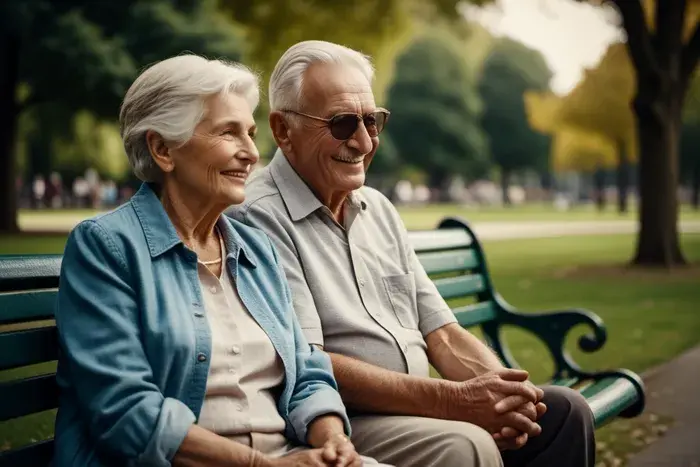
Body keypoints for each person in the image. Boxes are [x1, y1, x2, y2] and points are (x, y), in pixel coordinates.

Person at [227, 40, 596, 467]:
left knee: (566, 412)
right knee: (465, 444)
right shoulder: (257, 215)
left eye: (373, 120)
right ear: (283, 129)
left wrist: (508, 397)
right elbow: (308, 362)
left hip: (416, 408)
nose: (364, 142)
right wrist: (455, 401)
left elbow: (441, 333)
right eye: (343, 123)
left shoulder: (377, 208)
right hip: (339, 420)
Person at [53, 54, 390, 467]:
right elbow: (126, 414)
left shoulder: (254, 249)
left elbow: (307, 373)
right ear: (162, 148)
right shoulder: (106, 248)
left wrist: (333, 441)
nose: (251, 153)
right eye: (229, 134)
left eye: (250, 133)